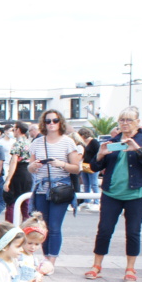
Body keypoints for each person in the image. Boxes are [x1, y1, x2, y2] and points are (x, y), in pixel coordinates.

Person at [84, 106, 142, 282]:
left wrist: (138, 150)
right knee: (104, 229)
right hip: (112, 192)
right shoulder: (113, 140)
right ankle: (97, 265)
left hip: (137, 193)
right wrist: (100, 155)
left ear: (137, 122)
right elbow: (94, 168)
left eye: (129, 120)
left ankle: (130, 268)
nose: (125, 123)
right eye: (122, 120)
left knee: (133, 231)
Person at [28, 110, 82, 265]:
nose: (51, 123)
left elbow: (76, 168)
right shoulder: (37, 142)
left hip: (60, 188)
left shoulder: (67, 142)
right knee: (42, 226)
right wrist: (34, 165)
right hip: (41, 188)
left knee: (55, 226)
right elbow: (30, 168)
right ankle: (45, 258)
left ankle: (51, 261)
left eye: (55, 120)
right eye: (48, 121)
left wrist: (61, 164)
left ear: (61, 122)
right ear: (43, 123)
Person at [3, 122, 34, 223]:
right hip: (28, 172)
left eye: (14, 129)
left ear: (18, 130)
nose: (13, 132)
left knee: (12, 201)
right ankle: (27, 226)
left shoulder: (17, 144)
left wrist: (8, 180)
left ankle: (10, 227)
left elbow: (13, 162)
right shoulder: (30, 143)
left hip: (18, 173)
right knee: (25, 203)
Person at [78, 127, 100, 210]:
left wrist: (94, 163)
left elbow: (98, 153)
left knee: (94, 184)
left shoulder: (94, 142)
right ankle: (87, 201)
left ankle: (96, 202)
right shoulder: (83, 143)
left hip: (92, 166)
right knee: (86, 184)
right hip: (84, 165)